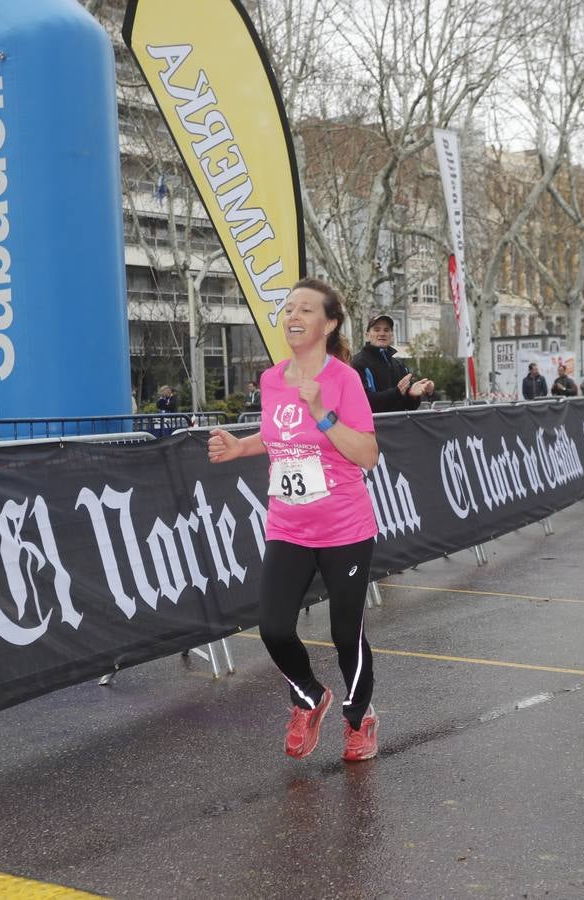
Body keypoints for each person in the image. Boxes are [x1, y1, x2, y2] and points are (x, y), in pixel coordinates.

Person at [208, 277, 382, 762]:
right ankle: (309, 696)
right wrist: (240, 446)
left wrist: (323, 412)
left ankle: (359, 718)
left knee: (347, 633)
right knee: (273, 628)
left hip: (344, 528)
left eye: (305, 310)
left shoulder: (343, 379)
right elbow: (278, 437)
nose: (293, 317)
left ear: (328, 324)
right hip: (288, 525)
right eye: (288, 309)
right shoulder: (271, 379)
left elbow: (367, 454)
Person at [350, 313, 433, 413]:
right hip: (372, 427)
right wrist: (396, 393)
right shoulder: (358, 363)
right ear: (367, 335)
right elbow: (362, 402)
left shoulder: (399, 365)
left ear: (392, 335)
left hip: (399, 426)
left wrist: (412, 395)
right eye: (377, 329)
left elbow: (410, 406)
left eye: (386, 330)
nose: (382, 333)